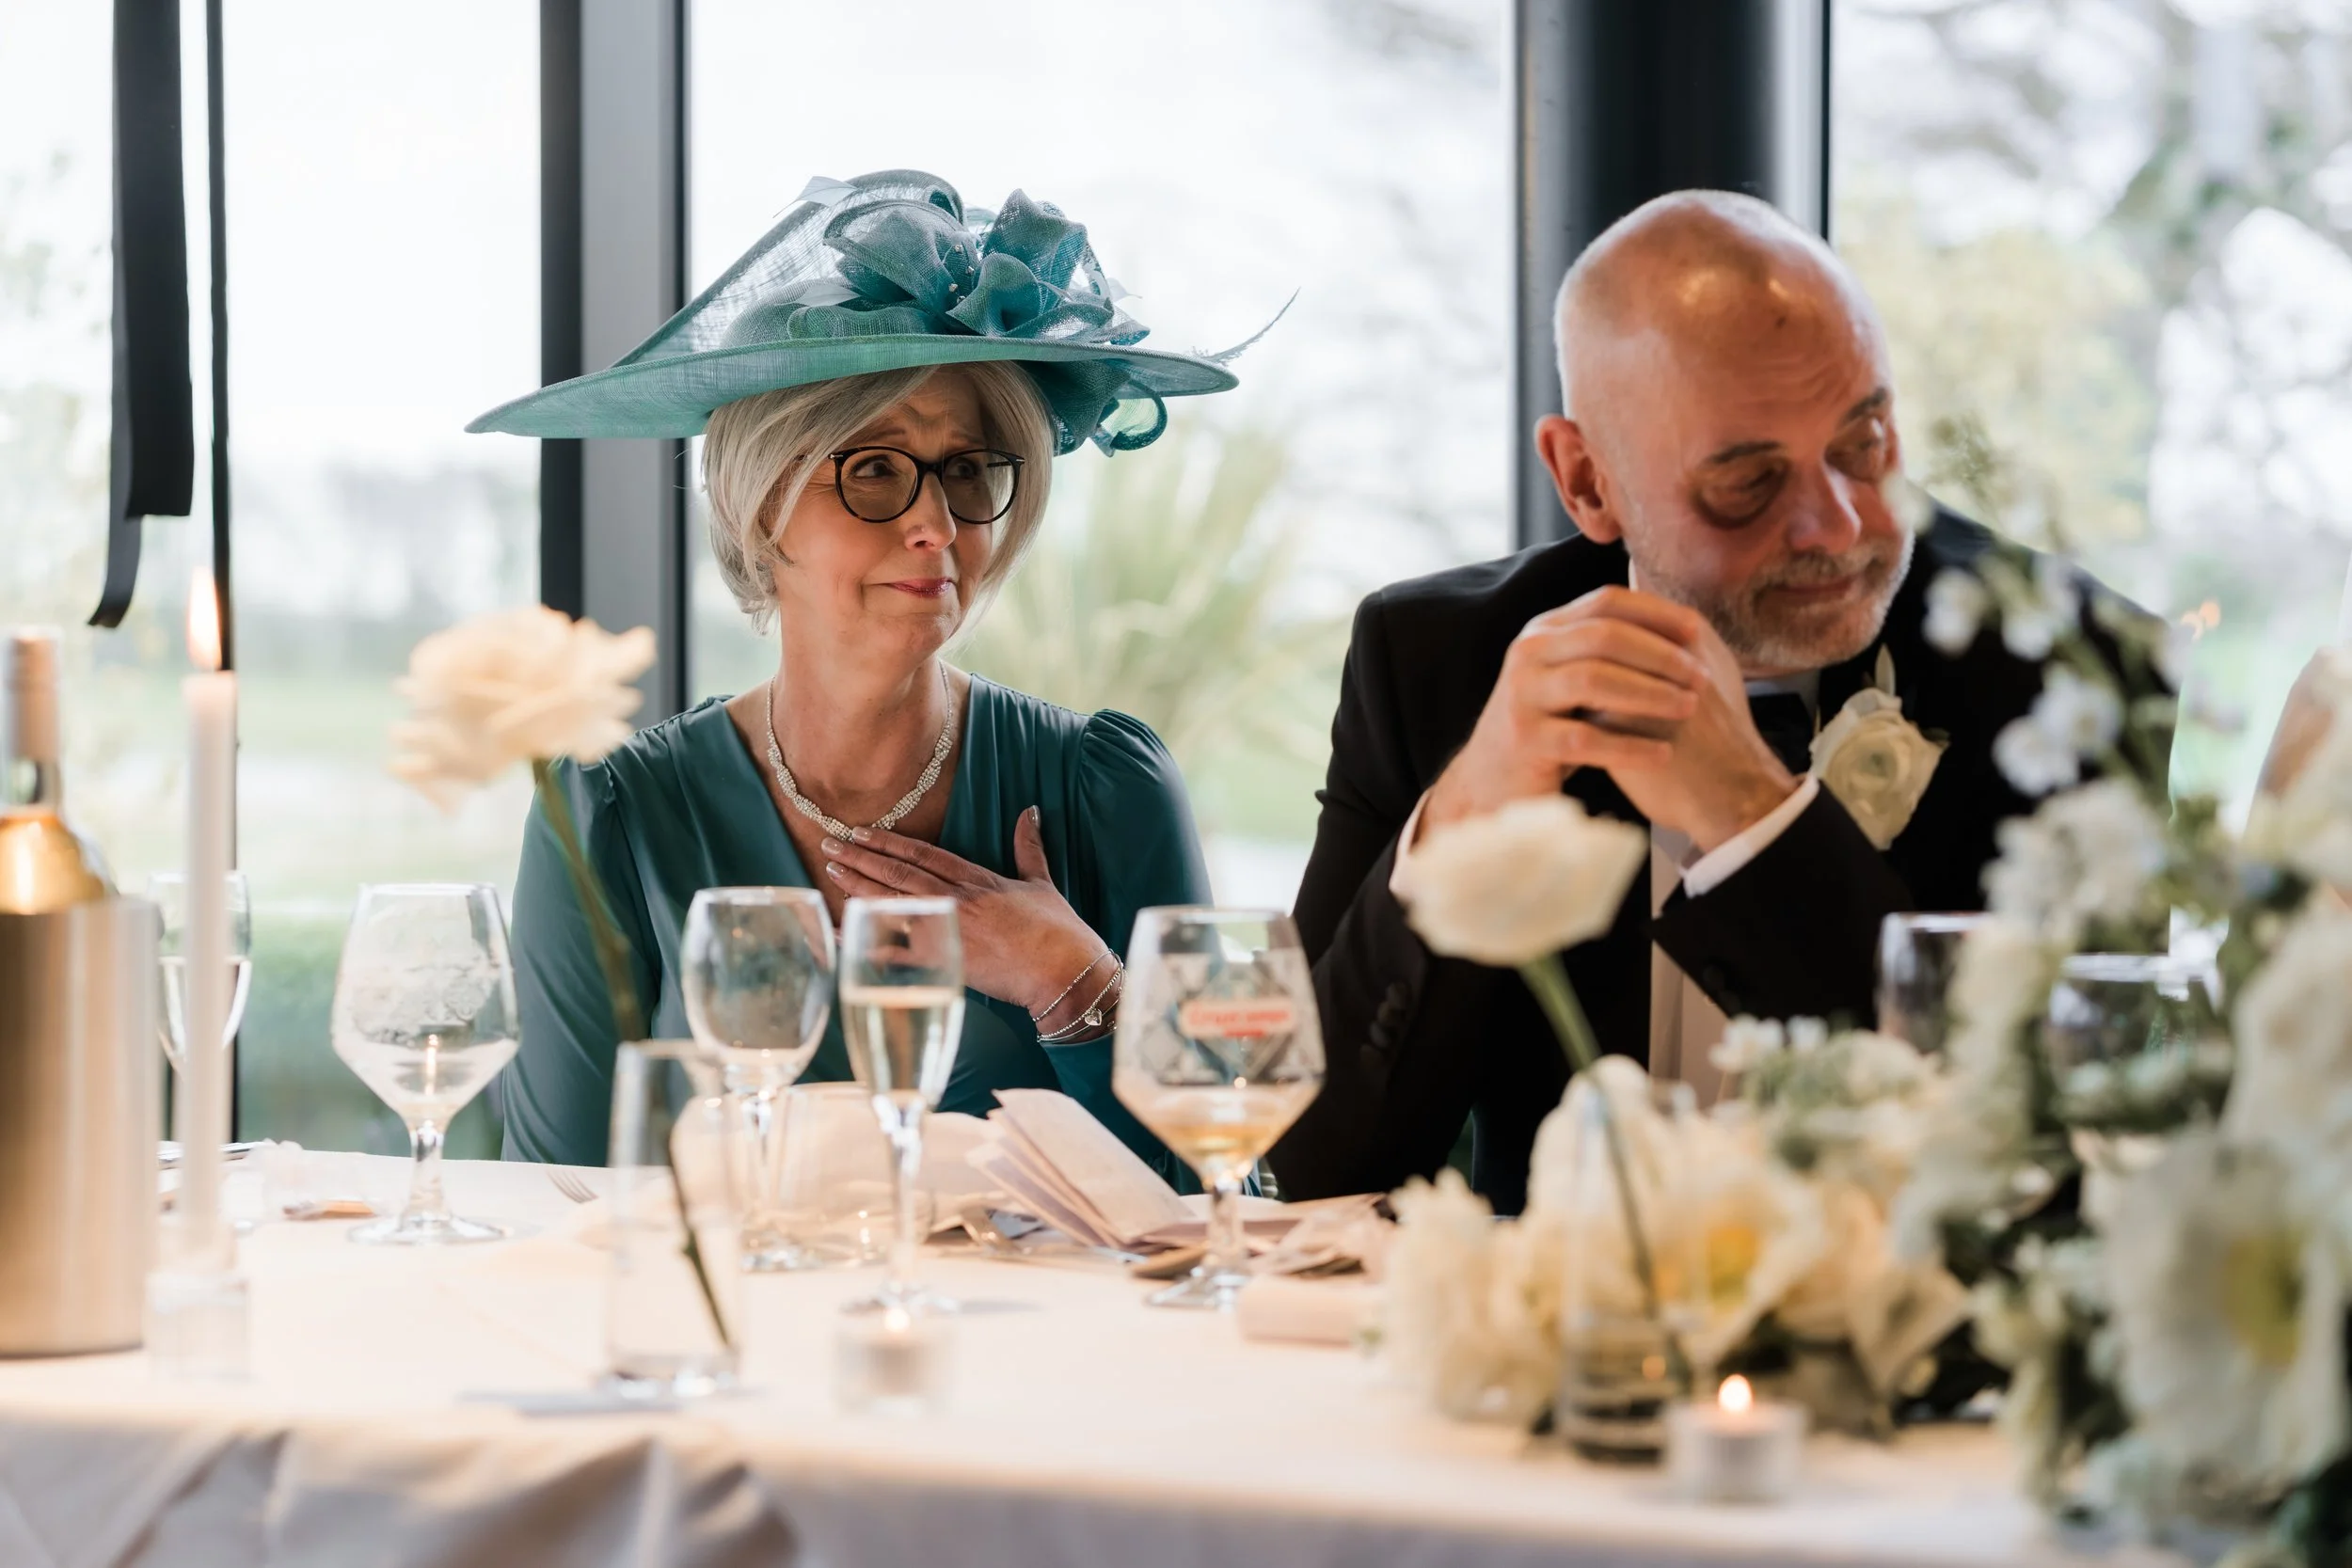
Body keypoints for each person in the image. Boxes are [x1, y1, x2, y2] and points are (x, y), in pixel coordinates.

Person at [1271, 190, 2170, 1213]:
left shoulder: (2072, 673)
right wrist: (1477, 799)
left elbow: (2044, 1169)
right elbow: (1309, 1166)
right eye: (1748, 483)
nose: (1834, 525)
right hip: (1558, 1346)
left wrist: (1757, 816)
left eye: (1863, 442)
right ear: (1586, 480)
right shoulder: (1435, 660)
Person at [469, 171, 1263, 1176]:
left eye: (967, 469)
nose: (935, 522)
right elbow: (557, 1195)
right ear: (764, 507)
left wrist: (1074, 980)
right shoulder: (615, 814)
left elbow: (1222, 1192)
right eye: (875, 469)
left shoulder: (1101, 787)